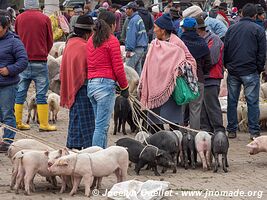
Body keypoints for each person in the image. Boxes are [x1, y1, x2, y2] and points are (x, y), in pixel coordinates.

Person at [138, 14, 197, 133]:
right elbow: (148, 65)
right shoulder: (155, 43)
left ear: (163, 29)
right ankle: (157, 148)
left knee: (173, 123)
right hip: (154, 88)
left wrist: (178, 70)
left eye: (155, 27)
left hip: (170, 89)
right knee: (155, 123)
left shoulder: (177, 43)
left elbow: (191, 61)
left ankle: (174, 148)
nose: (154, 30)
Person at [87, 11, 129, 148]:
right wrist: (124, 87)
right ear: (112, 24)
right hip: (104, 86)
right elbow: (118, 67)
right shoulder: (112, 41)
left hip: (92, 84)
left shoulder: (91, 40)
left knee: (99, 125)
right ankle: (97, 158)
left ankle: (102, 155)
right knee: (102, 127)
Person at [224, 3, 266, 139]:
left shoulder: (232, 28)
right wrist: (259, 68)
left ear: (241, 14)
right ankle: (254, 131)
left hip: (234, 70)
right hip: (250, 71)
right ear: (254, 16)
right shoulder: (258, 29)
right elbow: (262, 53)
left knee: (232, 101)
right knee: (252, 102)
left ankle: (231, 130)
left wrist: (228, 65)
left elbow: (226, 49)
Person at [15, 0, 56, 131]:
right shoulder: (45, 19)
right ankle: (44, 124)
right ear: (38, 5)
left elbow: (16, 38)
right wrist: (43, 52)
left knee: (20, 92)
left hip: (23, 62)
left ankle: (18, 122)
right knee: (42, 93)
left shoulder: (19, 18)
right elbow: (50, 41)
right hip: (40, 61)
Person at [60, 15, 95, 150]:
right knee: (87, 122)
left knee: (76, 119)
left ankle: (73, 147)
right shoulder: (83, 47)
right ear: (87, 33)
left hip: (72, 88)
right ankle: (88, 149)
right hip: (82, 87)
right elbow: (85, 70)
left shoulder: (71, 43)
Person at [0, 10, 28, 152]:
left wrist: (9, 70)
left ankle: (7, 142)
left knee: (7, 114)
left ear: (5, 27)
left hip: (7, 85)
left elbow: (23, 61)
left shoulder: (14, 42)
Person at [181, 17, 211, 130]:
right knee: (195, 110)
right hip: (198, 78)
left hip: (182, 80)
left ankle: (180, 137)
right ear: (195, 28)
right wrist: (202, 71)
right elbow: (208, 62)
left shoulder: (180, 42)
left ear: (183, 29)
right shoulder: (202, 43)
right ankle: (194, 136)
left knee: (180, 109)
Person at [196, 16, 225, 134]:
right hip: (202, 78)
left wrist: (197, 63)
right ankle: (207, 130)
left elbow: (211, 59)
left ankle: (218, 130)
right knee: (203, 107)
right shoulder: (200, 40)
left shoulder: (214, 40)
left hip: (211, 77)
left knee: (212, 105)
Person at [125, 2, 148, 75]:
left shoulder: (133, 20)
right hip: (141, 48)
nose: (126, 11)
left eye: (127, 9)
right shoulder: (138, 18)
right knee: (137, 72)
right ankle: (140, 86)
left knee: (129, 71)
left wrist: (129, 50)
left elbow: (131, 36)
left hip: (135, 49)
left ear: (131, 10)